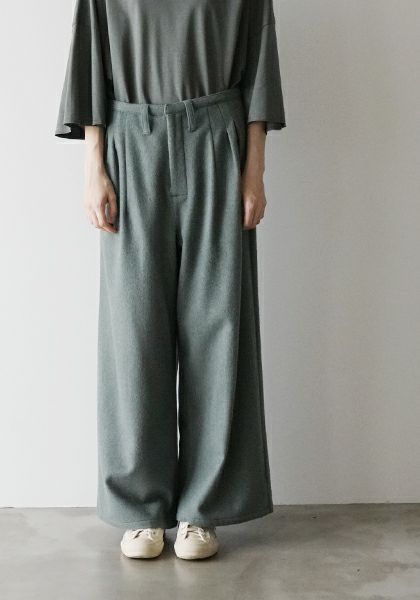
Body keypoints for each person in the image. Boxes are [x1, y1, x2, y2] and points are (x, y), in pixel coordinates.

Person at [55, 0, 286, 560]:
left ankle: (203, 509)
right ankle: (141, 508)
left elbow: (258, 60)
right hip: (132, 141)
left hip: (218, 139)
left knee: (218, 326)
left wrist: (254, 168)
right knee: (134, 333)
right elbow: (92, 57)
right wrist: (94, 166)